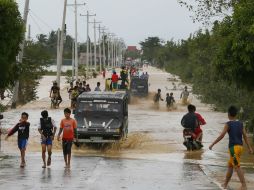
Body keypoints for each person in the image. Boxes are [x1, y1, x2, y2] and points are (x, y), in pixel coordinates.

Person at [209, 106, 253, 190]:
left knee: (237, 166)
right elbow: (245, 136)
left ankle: (244, 185)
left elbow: (222, 135)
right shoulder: (240, 123)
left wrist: (212, 144)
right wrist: (250, 148)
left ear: (228, 114)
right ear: (236, 114)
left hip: (233, 149)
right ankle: (225, 184)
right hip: (240, 147)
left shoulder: (228, 124)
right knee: (230, 165)